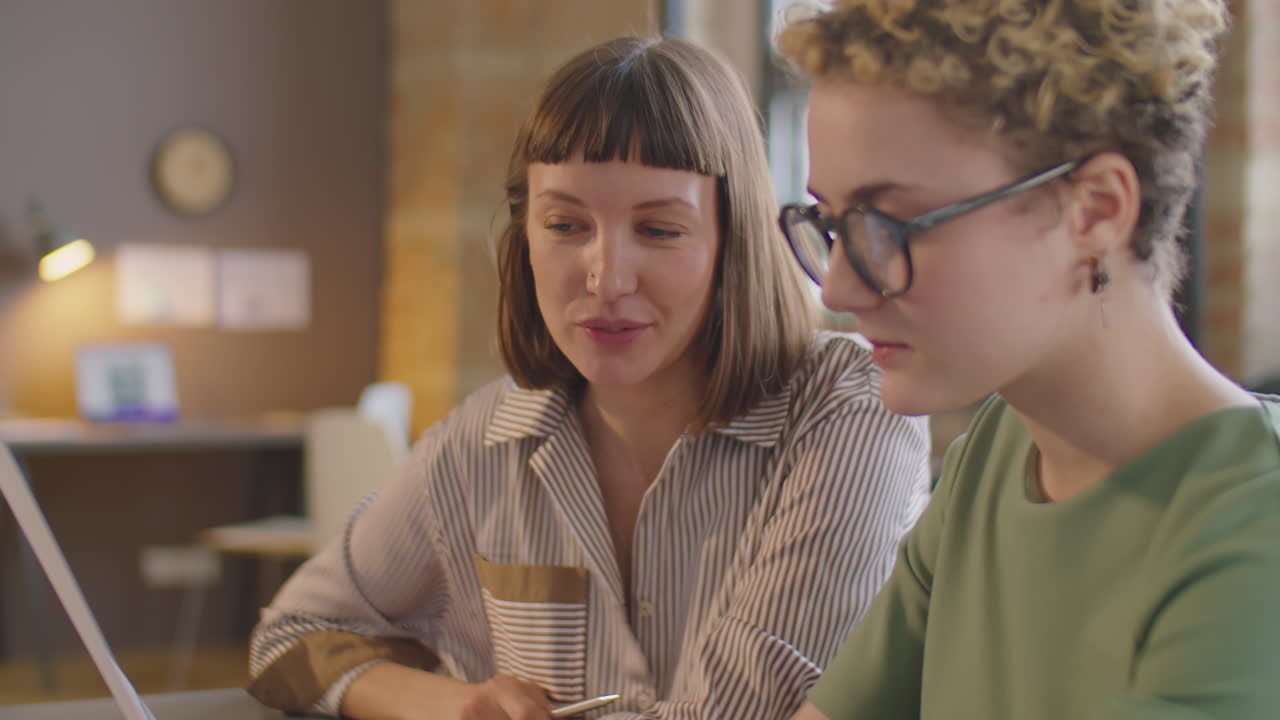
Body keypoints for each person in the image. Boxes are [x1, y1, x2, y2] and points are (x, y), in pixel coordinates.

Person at [246, 35, 931, 720]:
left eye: (659, 230)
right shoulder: (481, 443)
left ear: (734, 239)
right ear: (526, 236)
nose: (606, 278)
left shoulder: (849, 407)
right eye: (566, 224)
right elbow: (290, 636)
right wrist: (456, 706)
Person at [773, 1, 1280, 718]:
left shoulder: (1252, 527)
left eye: (887, 224)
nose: (840, 285)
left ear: (1097, 210)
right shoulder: (997, 449)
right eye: (830, 224)